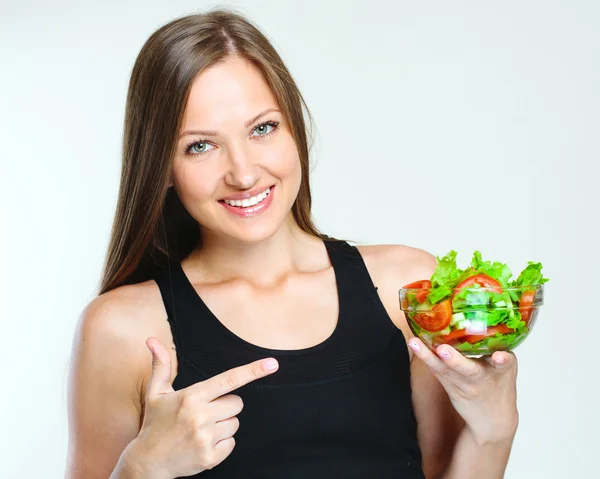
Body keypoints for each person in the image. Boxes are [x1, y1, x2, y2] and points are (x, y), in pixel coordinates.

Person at [66, 9, 519, 479]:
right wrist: (139, 468)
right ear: (161, 166)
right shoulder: (123, 330)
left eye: (262, 128)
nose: (243, 173)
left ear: (294, 129)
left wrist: (495, 426)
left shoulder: (406, 289)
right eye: (200, 145)